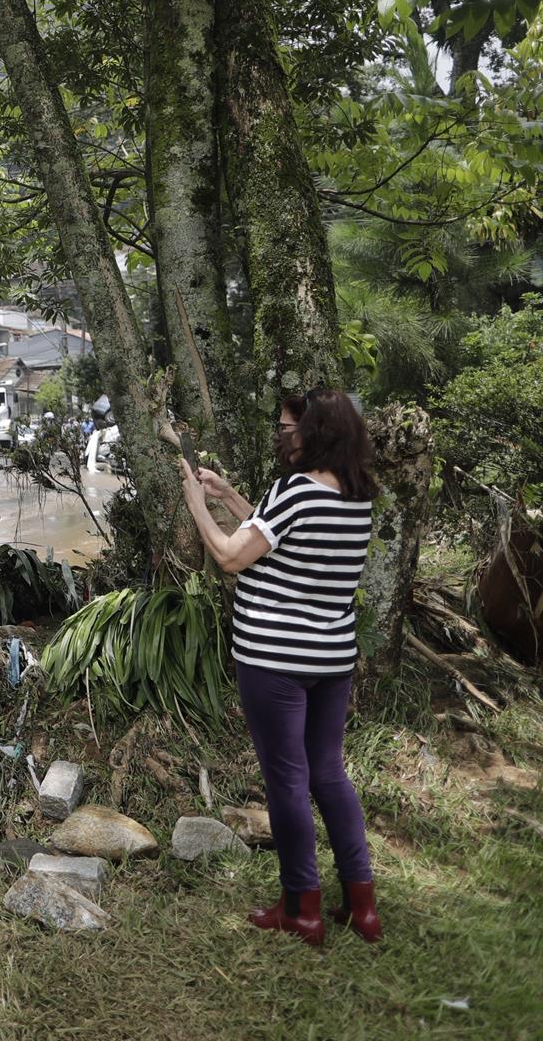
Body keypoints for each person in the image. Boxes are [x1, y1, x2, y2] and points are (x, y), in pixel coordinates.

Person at [178, 388, 380, 947]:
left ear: (314, 433)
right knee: (329, 774)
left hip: (274, 658)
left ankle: (301, 908)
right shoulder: (357, 494)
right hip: (331, 657)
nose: (282, 437)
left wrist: (198, 504)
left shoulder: (293, 490)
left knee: (287, 779)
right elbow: (282, 540)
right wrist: (230, 495)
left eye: (288, 428)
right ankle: (361, 905)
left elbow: (231, 556)